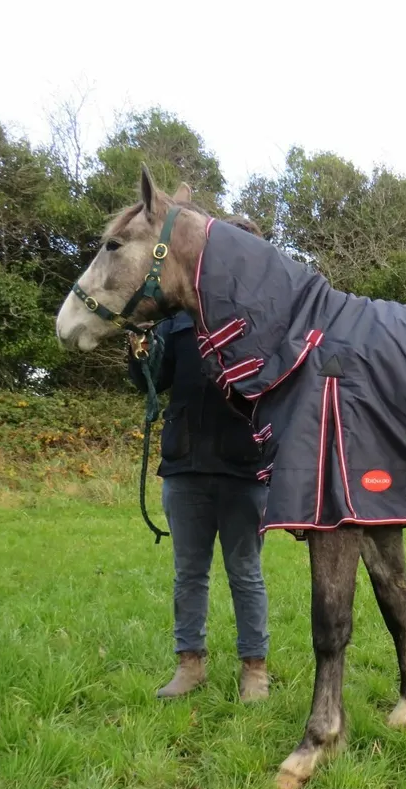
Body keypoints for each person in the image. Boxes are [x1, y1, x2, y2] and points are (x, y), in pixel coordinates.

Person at [127, 213, 272, 703]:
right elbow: (153, 379)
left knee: (245, 573)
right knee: (189, 573)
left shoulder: (263, 318)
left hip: (244, 467)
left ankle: (255, 670)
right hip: (185, 465)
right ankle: (190, 666)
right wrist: (139, 349)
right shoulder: (177, 317)